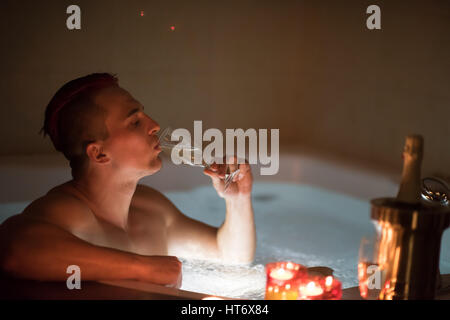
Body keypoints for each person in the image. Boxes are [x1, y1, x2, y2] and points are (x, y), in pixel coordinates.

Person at [0, 73, 256, 288]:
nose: (154, 125)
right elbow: (14, 250)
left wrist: (238, 200)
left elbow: (231, 257)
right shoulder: (70, 212)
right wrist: (144, 268)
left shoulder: (150, 206)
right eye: (134, 122)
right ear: (99, 153)